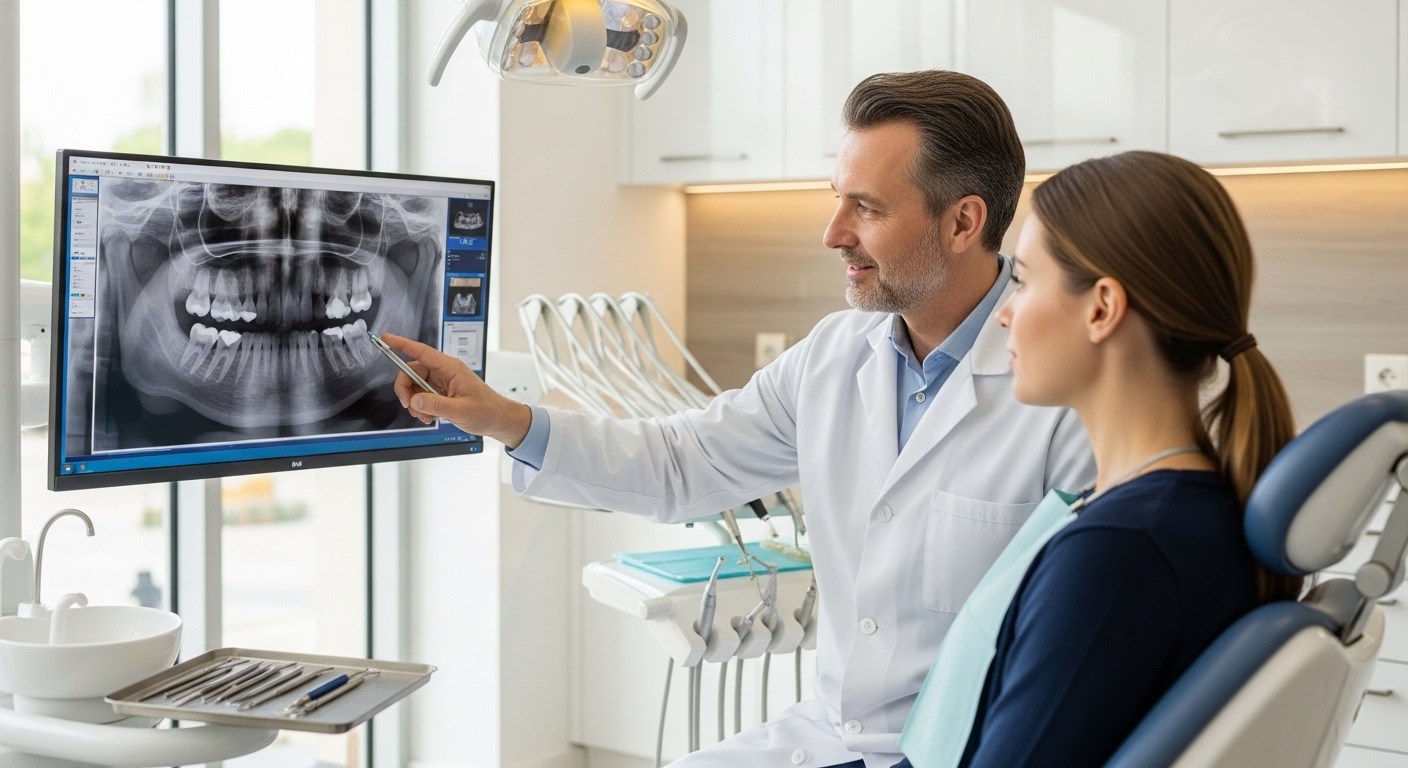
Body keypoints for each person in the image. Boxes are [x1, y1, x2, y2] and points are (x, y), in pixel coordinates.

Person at [381, 70, 1094, 768]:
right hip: (835, 736)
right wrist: (506, 418)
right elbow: (683, 461)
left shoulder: (1067, 396)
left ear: (964, 221)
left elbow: (1073, 655)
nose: (832, 233)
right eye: (836, 200)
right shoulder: (833, 358)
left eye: (866, 209)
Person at [888, 150, 1303, 768]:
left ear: (1102, 309)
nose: (1004, 313)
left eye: (1023, 281)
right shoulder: (1172, 509)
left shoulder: (1122, 550)